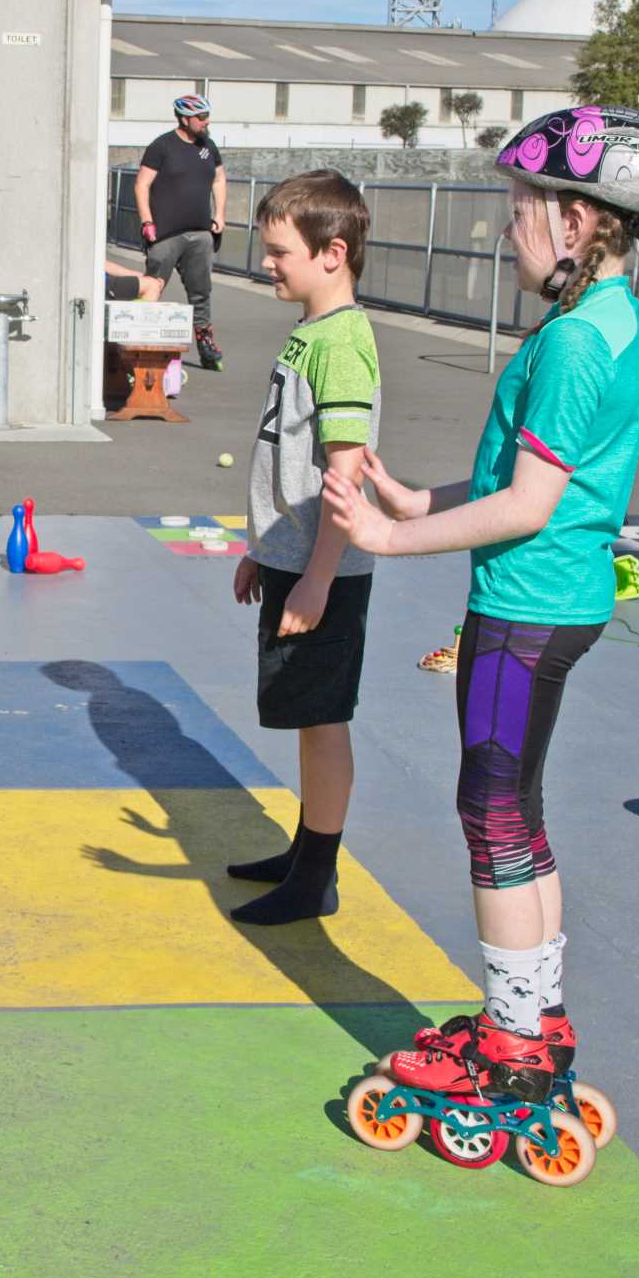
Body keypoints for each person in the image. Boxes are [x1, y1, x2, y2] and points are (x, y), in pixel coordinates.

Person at [324, 104, 639, 1114]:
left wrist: (386, 540)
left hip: (525, 605)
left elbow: (530, 505)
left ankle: (509, 1041)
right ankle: (531, 1010)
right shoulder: (604, 321)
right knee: (514, 812)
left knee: (488, 812)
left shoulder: (576, 342)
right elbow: (537, 482)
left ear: (576, 222)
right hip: (557, 598)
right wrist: (418, 499)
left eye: (521, 208)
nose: (507, 228)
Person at [225, 170, 380, 927]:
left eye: (279, 251)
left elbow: (344, 475)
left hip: (325, 569)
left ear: (333, 252)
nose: (267, 264)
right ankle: (304, 847)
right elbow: (288, 457)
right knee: (306, 715)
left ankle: (317, 875)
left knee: (322, 720)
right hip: (294, 557)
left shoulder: (343, 342)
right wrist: (265, 548)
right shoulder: (312, 333)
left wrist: (318, 579)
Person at [135, 93, 227, 370]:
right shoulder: (161, 147)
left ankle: (205, 344)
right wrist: (146, 221)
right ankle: (138, 343)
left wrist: (220, 214)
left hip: (200, 232)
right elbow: (141, 185)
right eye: (201, 117)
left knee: (201, 292)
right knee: (151, 287)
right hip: (165, 234)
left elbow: (219, 178)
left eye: (207, 115)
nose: (206, 121)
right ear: (184, 118)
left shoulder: (208, 146)